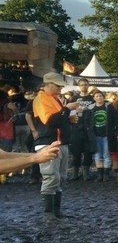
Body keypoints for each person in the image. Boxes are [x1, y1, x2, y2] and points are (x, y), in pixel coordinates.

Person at [33, 72, 80, 219]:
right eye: (58, 85)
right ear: (47, 84)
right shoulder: (41, 99)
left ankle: (55, 211)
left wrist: (69, 118)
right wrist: (67, 109)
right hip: (48, 143)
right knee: (51, 177)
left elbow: (57, 119)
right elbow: (50, 121)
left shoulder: (53, 98)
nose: (61, 87)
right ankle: (49, 213)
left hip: (59, 143)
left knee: (60, 177)